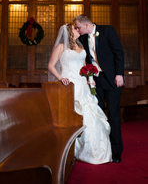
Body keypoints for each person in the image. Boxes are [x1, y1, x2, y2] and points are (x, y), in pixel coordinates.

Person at [47, 24, 111, 164]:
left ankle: (94, 150)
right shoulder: (61, 47)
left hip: (82, 84)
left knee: (90, 113)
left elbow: (84, 68)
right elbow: (51, 65)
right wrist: (60, 78)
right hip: (68, 84)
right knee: (73, 115)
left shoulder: (81, 47)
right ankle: (72, 150)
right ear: (69, 32)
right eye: (75, 29)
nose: (78, 30)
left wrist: (90, 80)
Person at [73, 15, 125, 163]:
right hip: (96, 81)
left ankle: (116, 152)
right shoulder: (82, 38)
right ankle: (103, 149)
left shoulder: (108, 31)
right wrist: (89, 79)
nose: (78, 30)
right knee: (99, 114)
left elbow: (118, 53)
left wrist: (119, 74)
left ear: (86, 25)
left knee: (114, 115)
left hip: (113, 79)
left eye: (78, 27)